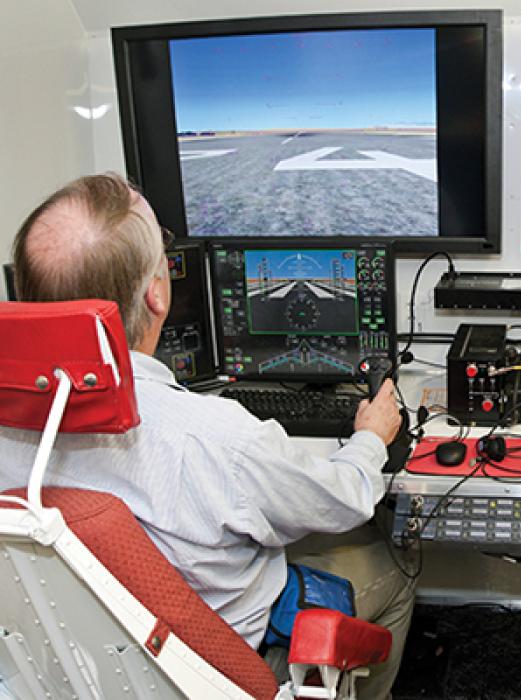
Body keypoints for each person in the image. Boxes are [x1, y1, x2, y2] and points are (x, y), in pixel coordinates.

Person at [1, 172, 415, 699]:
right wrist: (371, 439)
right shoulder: (213, 438)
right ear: (156, 294)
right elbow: (342, 501)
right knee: (389, 564)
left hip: (72, 669)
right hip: (220, 671)